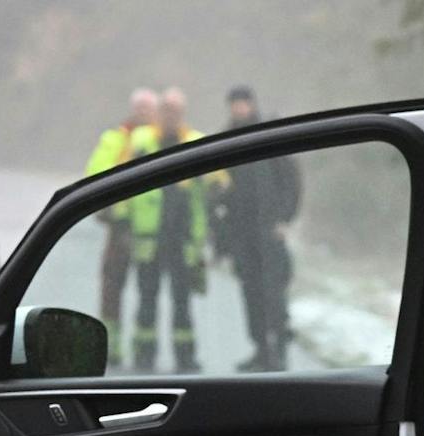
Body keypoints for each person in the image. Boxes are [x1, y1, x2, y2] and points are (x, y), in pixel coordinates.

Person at [215, 85, 303, 372]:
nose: (239, 108)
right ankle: (261, 349)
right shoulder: (225, 141)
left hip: (269, 231)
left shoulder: (269, 136)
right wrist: (221, 237)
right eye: (235, 103)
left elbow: (291, 182)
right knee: (250, 293)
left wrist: (284, 220)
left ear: (252, 104)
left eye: (243, 102)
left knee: (273, 292)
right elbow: (218, 190)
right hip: (240, 233)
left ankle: (279, 349)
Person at [125, 87, 208, 372]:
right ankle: (143, 354)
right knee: (147, 298)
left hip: (183, 238)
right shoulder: (141, 141)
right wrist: (122, 221)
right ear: (158, 112)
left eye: (176, 111)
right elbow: (122, 182)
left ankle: (185, 357)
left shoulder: (196, 143)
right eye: (166, 110)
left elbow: (214, 183)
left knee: (182, 301)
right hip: (150, 236)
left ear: (183, 113)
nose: (171, 115)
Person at [84, 87, 157, 362]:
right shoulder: (115, 139)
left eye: (148, 108)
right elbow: (95, 173)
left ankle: (144, 347)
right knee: (112, 286)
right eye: (139, 107)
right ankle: (111, 345)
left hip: (153, 229)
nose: (143, 113)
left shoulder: (162, 140)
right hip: (120, 226)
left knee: (149, 287)